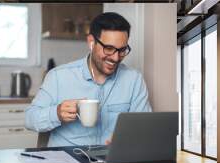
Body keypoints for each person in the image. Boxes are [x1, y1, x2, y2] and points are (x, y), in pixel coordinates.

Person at [25, 12, 152, 147]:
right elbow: (29, 119)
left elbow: (145, 127)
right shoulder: (58, 76)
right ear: (91, 42)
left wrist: (128, 140)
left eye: (122, 50)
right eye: (109, 48)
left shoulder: (134, 80)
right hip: (67, 161)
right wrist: (56, 113)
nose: (115, 58)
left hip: (113, 161)